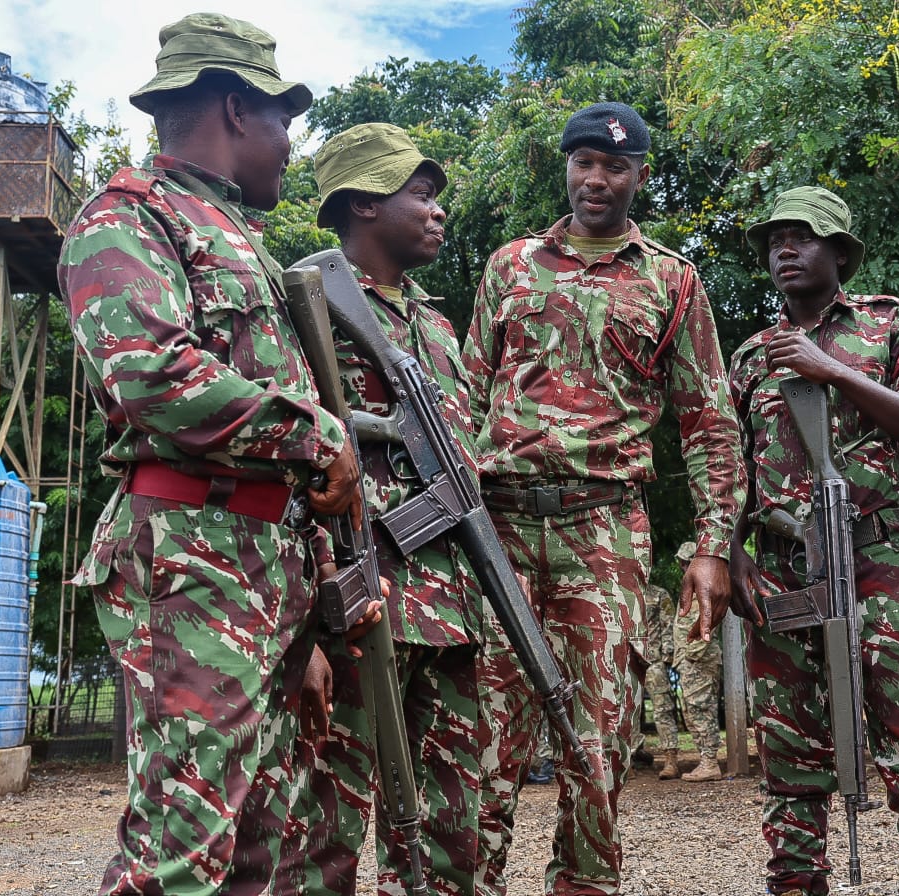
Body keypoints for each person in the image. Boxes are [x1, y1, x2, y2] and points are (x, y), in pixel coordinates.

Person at [59, 13, 367, 895]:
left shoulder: (243, 240)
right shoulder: (127, 216)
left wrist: (305, 616)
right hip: (190, 557)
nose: (288, 144)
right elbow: (153, 376)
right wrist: (317, 435)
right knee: (181, 857)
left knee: (260, 854)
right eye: (283, 120)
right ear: (237, 107)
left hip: (262, 569)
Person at [461, 101, 744, 896]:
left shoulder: (672, 280)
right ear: (566, 168)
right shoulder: (509, 266)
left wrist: (714, 548)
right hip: (500, 528)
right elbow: (461, 395)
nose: (596, 178)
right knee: (484, 739)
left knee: (599, 742)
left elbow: (711, 424)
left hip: (604, 530)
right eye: (583, 162)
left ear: (639, 176)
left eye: (614, 165)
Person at [728, 186, 899, 896]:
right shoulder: (749, 359)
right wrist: (733, 550)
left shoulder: (889, 324)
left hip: (882, 557)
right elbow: (732, 468)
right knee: (789, 763)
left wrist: (830, 370)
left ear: (839, 252)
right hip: (784, 571)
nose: (785, 250)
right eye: (775, 240)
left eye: (802, 237)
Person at [281, 123, 485, 896]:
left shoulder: (434, 324)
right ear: (364, 204)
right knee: (328, 835)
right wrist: (310, 624)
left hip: (452, 614)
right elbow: (297, 467)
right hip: (361, 611)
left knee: (446, 835)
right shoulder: (306, 310)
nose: (438, 213)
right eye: (422, 196)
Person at [642, 541, 724, 782]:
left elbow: (707, 624)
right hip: (688, 660)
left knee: (701, 709)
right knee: (692, 711)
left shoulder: (705, 584)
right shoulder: (694, 585)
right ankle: (706, 761)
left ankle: (709, 762)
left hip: (697, 659)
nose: (683, 566)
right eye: (682, 562)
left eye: (686, 562)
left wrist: (690, 655)